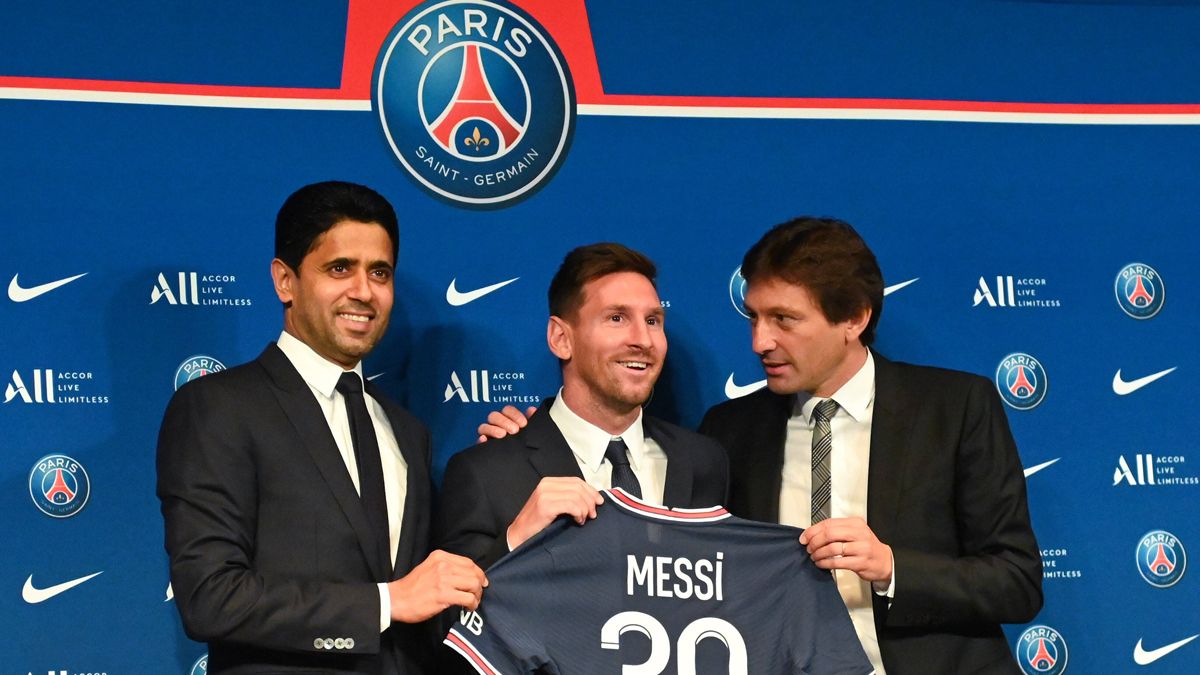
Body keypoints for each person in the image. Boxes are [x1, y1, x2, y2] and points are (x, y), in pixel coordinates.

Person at [481, 219, 1043, 674]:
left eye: (783, 320)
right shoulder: (728, 431)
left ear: (853, 317)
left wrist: (891, 566)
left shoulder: (956, 407)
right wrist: (534, 438)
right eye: (753, 317)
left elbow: (1017, 582)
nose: (759, 342)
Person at [156, 181, 486, 674]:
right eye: (339, 269)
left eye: (380, 272)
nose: (363, 291)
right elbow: (210, 596)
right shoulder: (219, 408)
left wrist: (515, 528)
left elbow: (425, 601)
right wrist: (384, 603)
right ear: (284, 281)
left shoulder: (406, 431)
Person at [436, 243, 729, 569]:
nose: (643, 340)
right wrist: (515, 540)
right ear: (561, 338)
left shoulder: (704, 462)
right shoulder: (487, 473)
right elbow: (451, 614)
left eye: (653, 320)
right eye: (617, 318)